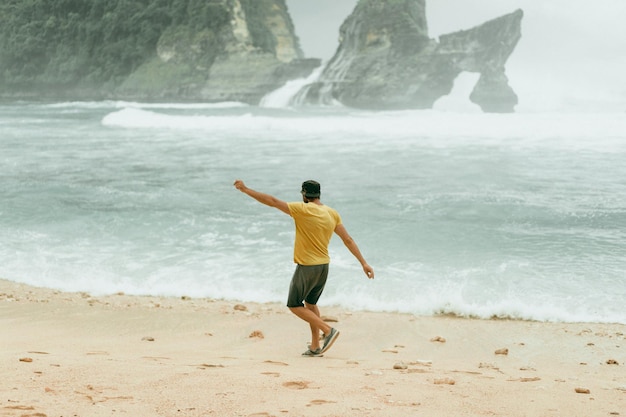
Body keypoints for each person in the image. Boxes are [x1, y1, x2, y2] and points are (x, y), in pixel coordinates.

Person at [233, 179, 374, 357]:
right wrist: (364, 263)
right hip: (324, 266)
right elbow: (348, 240)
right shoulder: (332, 213)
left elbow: (273, 202)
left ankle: (328, 330)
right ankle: (315, 346)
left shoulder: (302, 209)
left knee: (294, 304)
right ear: (319, 194)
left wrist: (245, 190)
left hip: (308, 267)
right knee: (311, 304)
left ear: (304, 194)